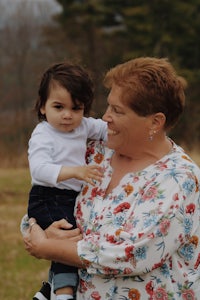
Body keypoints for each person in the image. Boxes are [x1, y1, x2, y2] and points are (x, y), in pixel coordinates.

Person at [24, 57, 200, 299]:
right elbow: (47, 199)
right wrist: (37, 227)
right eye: (108, 106)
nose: (105, 116)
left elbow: (131, 254)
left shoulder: (179, 179)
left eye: (117, 110)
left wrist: (48, 247)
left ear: (155, 122)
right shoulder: (95, 153)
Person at [22, 62, 107, 300]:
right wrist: (76, 172)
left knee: (69, 243)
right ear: (42, 107)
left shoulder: (82, 126)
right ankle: (62, 293)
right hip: (47, 196)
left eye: (76, 108)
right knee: (68, 245)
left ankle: (47, 293)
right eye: (58, 107)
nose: (67, 115)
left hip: (69, 198)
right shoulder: (43, 134)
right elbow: (39, 170)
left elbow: (105, 129)